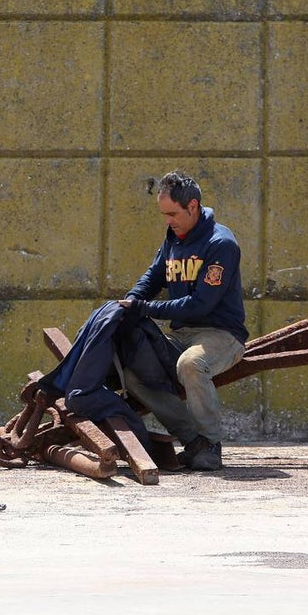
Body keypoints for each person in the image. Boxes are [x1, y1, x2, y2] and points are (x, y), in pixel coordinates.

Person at [118, 171, 249, 471]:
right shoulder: (173, 239)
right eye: (163, 215)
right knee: (133, 374)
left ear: (193, 207)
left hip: (221, 335)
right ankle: (194, 442)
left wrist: (145, 308)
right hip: (182, 333)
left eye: (172, 214)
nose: (168, 221)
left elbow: (200, 304)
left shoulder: (221, 244)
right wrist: (130, 301)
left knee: (190, 364)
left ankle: (212, 445)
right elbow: (153, 277)